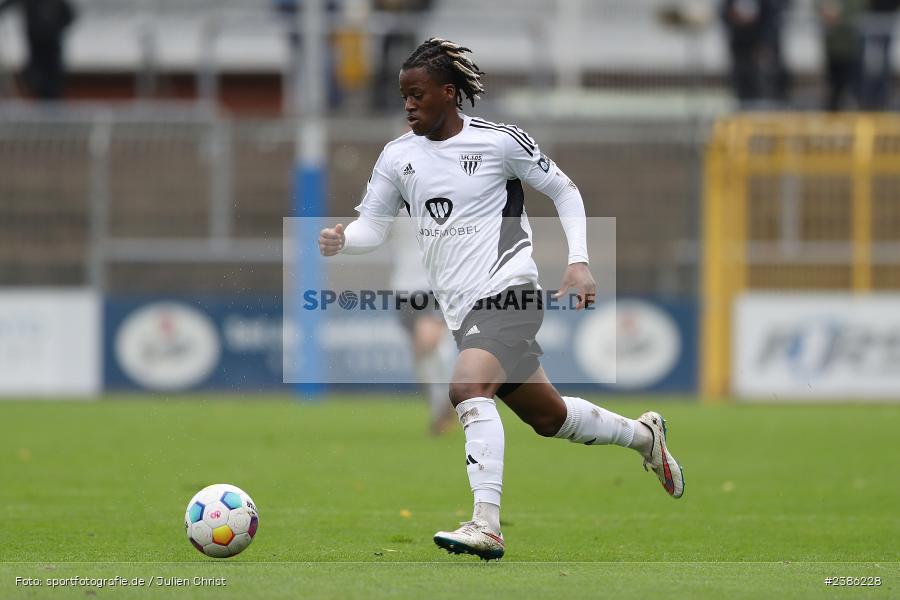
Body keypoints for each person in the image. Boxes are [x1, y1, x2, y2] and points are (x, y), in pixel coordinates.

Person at [318, 38, 685, 561]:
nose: (409, 105)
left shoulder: (500, 142)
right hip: (462, 310)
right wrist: (344, 240)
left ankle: (486, 524)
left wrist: (579, 260)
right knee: (549, 418)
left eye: (418, 95)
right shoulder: (398, 156)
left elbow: (565, 190)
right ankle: (644, 437)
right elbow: (372, 226)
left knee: (467, 387)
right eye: (404, 97)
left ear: (449, 93)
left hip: (510, 291)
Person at [388, 216, 456, 435]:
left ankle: (453, 400)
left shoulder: (444, 197)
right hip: (402, 288)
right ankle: (440, 410)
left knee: (430, 341)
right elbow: (372, 229)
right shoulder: (385, 195)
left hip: (434, 283)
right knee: (420, 354)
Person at [720, 0, 791, 107]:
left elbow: (773, 17)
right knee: (743, 87)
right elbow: (724, 14)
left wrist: (765, 43)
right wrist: (734, 17)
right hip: (740, 47)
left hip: (762, 46)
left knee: (765, 84)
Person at [0, 0, 76, 100]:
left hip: (51, 49)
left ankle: (52, 102)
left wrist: (54, 28)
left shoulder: (56, 3)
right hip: (36, 50)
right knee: (35, 78)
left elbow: (69, 16)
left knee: (51, 82)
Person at [818, 0, 864, 111]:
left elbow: (858, 9)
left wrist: (840, 14)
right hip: (833, 47)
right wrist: (825, 10)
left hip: (849, 46)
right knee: (834, 83)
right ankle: (833, 107)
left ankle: (852, 105)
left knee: (851, 81)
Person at [858, 0, 899, 110]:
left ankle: (880, 101)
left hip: (888, 22)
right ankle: (868, 101)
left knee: (883, 69)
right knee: (871, 68)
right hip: (872, 23)